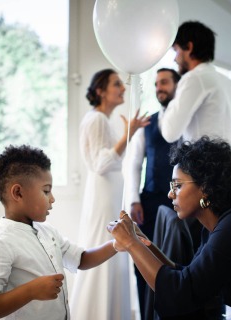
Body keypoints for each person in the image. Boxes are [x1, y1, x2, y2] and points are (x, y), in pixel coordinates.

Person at [108, 137, 231, 319]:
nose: (171, 194)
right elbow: (189, 276)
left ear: (204, 187)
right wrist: (142, 242)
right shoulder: (216, 225)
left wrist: (131, 244)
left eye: (177, 186)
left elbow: (182, 293)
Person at [0, 145, 119, 320]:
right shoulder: (0, 243)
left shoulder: (48, 233)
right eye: (46, 191)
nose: (52, 198)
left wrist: (116, 244)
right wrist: (30, 291)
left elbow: (81, 259)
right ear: (18, 193)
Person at [69, 68, 150, 320]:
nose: (123, 88)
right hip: (103, 197)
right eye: (116, 84)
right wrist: (130, 135)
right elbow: (101, 164)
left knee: (112, 247)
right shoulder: (97, 120)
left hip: (108, 195)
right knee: (104, 246)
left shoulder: (102, 119)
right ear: (100, 91)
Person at [125, 68, 202, 319]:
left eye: (165, 82)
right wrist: (134, 199)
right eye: (157, 83)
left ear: (178, 86)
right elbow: (135, 162)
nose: (159, 87)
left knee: (180, 258)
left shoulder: (190, 120)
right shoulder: (147, 124)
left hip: (184, 202)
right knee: (143, 259)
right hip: (148, 201)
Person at [159, 21, 231, 152]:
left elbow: (170, 133)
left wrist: (170, 101)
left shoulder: (194, 78)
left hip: (204, 168)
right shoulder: (230, 83)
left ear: (189, 47)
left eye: (176, 50)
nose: (174, 59)